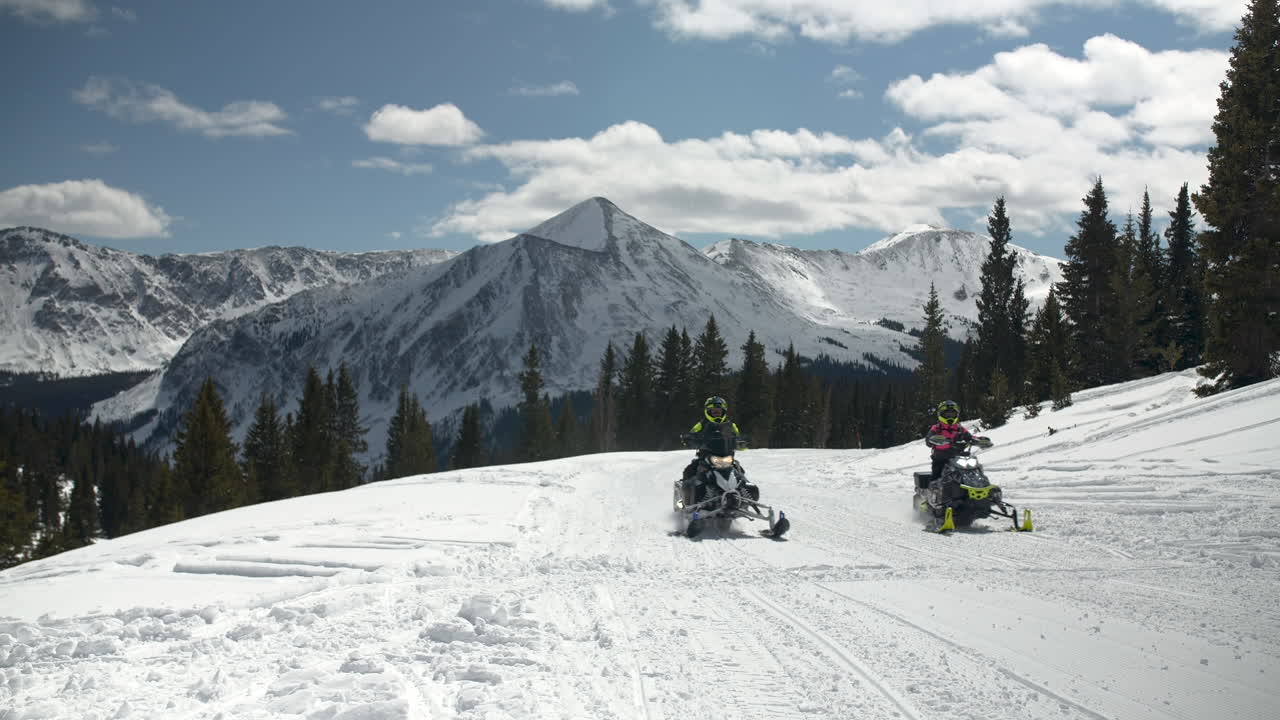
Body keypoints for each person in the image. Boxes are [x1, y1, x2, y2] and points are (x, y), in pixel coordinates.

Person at [680, 396, 752, 504]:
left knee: (740, 473)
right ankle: (685, 503)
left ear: (723, 411)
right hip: (707, 457)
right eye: (714, 411)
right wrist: (689, 439)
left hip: (726, 457)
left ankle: (745, 498)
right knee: (690, 471)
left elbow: (738, 436)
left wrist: (742, 442)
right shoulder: (701, 424)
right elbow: (692, 434)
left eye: (719, 411)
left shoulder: (731, 425)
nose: (716, 413)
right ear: (708, 411)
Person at [926, 399, 974, 483]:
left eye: (952, 414)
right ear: (941, 414)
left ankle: (979, 484)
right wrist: (935, 439)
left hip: (958, 457)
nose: (950, 417)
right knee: (937, 473)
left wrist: (978, 440)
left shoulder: (959, 428)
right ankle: (933, 490)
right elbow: (928, 440)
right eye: (947, 414)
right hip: (941, 458)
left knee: (974, 468)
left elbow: (969, 437)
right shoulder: (936, 428)